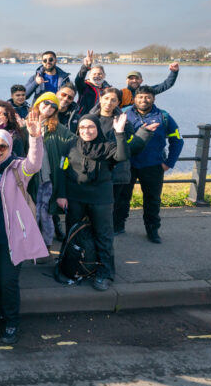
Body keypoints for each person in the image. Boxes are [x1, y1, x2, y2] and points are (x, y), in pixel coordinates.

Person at [0, 112, 47, 345]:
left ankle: (12, 322)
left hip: (11, 237)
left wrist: (35, 137)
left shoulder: (18, 168)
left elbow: (34, 163)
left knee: (8, 281)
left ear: (10, 146)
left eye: (3, 146)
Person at [56, 113, 128, 291]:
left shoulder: (108, 146)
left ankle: (105, 273)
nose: (86, 131)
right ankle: (69, 266)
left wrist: (119, 133)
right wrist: (61, 194)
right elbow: (61, 171)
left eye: (90, 127)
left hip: (100, 197)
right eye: (82, 128)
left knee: (103, 235)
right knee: (72, 233)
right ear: (77, 130)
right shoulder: (70, 145)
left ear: (97, 128)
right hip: (75, 196)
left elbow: (122, 156)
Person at [118, 87, 184, 243]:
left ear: (153, 99)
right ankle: (118, 225)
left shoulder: (163, 116)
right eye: (140, 97)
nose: (143, 100)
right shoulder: (124, 113)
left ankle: (152, 230)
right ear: (135, 98)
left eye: (147, 97)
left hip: (153, 166)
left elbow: (177, 140)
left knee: (152, 200)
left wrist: (169, 163)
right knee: (122, 197)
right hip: (128, 164)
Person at [92, 88, 156, 237]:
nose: (109, 102)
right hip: (95, 172)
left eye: (113, 100)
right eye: (106, 98)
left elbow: (129, 149)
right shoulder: (90, 119)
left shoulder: (123, 122)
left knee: (112, 206)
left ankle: (107, 236)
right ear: (100, 99)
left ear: (118, 103)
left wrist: (143, 134)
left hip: (116, 172)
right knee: (93, 206)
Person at [28, 92, 74, 248]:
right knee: (30, 213)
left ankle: (45, 246)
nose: (49, 107)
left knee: (46, 214)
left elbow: (76, 143)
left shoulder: (60, 130)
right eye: (45, 103)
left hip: (48, 179)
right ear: (38, 104)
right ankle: (30, 245)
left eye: (53, 106)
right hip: (30, 179)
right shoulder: (25, 125)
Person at [74, 50, 108, 115]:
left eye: (100, 74)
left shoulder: (108, 89)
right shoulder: (84, 87)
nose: (97, 76)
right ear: (89, 76)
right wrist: (85, 67)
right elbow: (78, 80)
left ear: (104, 75)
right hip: (85, 117)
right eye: (94, 74)